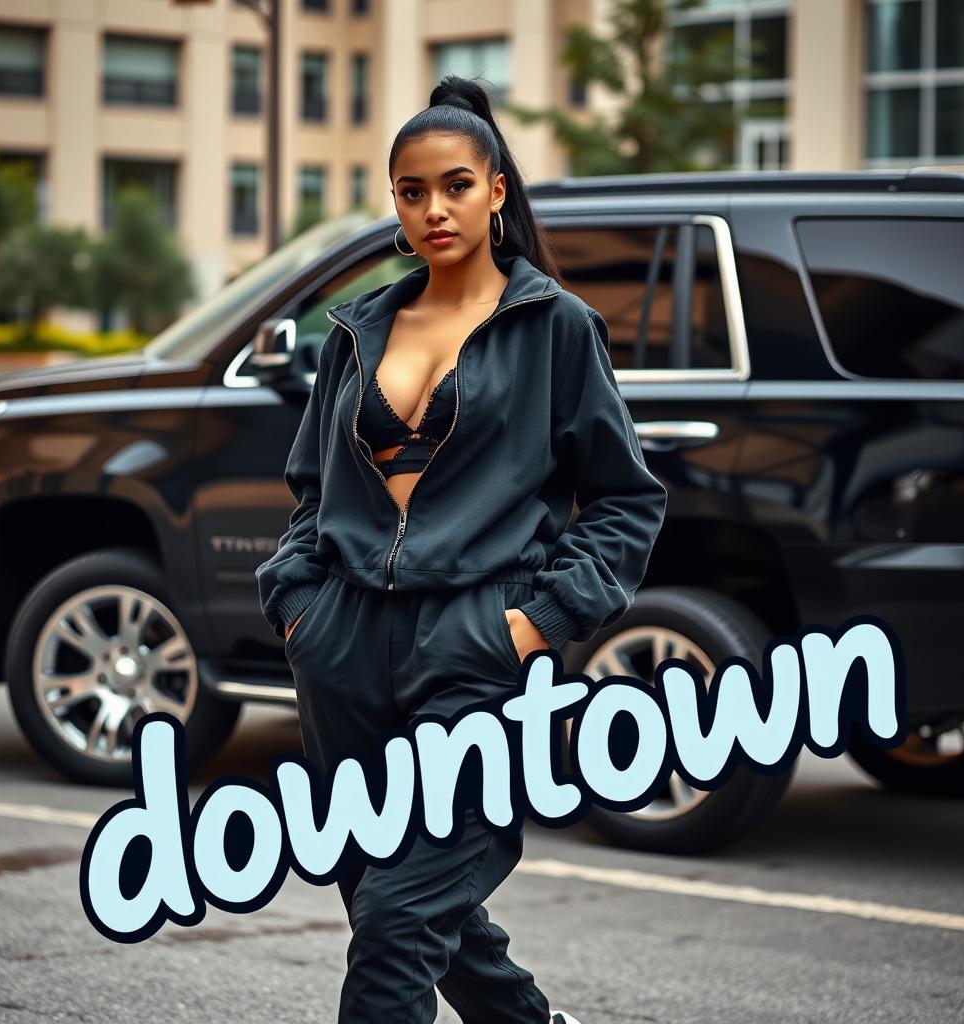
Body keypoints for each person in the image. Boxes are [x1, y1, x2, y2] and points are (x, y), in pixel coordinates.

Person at [255, 74, 668, 1024]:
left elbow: (623, 504)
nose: (433, 208)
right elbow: (314, 497)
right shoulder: (356, 334)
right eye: (410, 190)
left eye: (453, 185)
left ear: (496, 192)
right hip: (345, 646)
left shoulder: (556, 329)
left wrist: (531, 624)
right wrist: (302, 611)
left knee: (398, 929)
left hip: (481, 645)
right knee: (387, 897)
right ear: (393, 201)